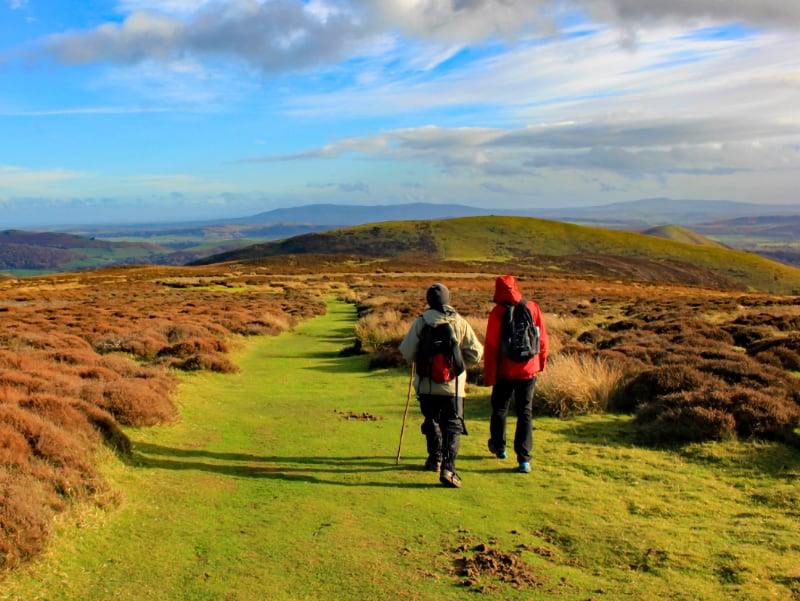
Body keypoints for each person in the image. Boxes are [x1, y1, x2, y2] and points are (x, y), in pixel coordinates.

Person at [399, 283, 483, 488]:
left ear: (429, 300)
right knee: (453, 425)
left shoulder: (421, 322)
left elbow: (407, 352)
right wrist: (461, 367)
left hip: (426, 386)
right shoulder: (460, 322)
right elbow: (476, 353)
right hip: (453, 388)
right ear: (448, 299)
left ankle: (434, 459)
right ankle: (448, 468)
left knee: (432, 419)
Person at [483, 275, 548, 474]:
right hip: (528, 370)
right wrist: (540, 364)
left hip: (504, 371)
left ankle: (499, 446)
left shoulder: (497, 313)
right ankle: (524, 459)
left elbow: (492, 347)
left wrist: (489, 375)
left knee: (500, 408)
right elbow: (542, 339)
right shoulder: (532, 307)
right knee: (525, 412)